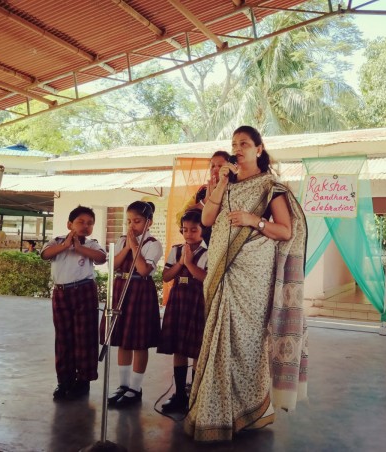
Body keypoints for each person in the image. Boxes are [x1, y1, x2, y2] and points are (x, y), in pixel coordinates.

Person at [184, 126, 308, 442]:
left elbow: (285, 231)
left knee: (247, 343)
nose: (238, 149)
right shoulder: (225, 183)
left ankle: (248, 411)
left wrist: (255, 220)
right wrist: (221, 183)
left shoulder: (270, 187)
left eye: (244, 144)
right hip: (223, 272)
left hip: (253, 277)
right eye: (234, 144)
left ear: (259, 149)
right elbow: (207, 220)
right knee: (218, 341)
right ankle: (214, 413)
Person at [41, 206, 107, 400]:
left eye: (90, 223)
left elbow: (102, 258)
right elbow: (44, 255)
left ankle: (83, 381)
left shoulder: (92, 244)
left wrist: (79, 248)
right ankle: (64, 381)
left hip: (84, 290)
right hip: (61, 292)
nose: (86, 226)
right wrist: (66, 245)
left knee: (85, 336)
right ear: (70, 224)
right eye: (81, 222)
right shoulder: (57, 241)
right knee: (63, 337)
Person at [101, 201, 163, 408]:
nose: (131, 226)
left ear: (149, 222)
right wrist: (127, 245)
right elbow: (113, 266)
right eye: (128, 221)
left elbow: (144, 270)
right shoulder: (121, 241)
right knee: (123, 340)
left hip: (140, 290)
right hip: (121, 289)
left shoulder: (153, 244)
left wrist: (135, 245)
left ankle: (135, 388)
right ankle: (123, 385)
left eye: (137, 221)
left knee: (139, 341)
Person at [157, 209, 208, 413]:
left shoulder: (209, 251)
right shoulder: (176, 250)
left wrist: (189, 263)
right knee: (178, 348)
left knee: (196, 348)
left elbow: (206, 279)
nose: (188, 234)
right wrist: (180, 263)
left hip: (197, 300)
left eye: (194, 230)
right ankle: (179, 395)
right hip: (178, 298)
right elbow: (166, 277)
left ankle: (194, 397)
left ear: (203, 230)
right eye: (185, 229)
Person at [176, 151, 230, 245]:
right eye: (212, 166)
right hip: (204, 244)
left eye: (220, 166)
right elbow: (180, 217)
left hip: (225, 241)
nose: (215, 169)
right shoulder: (202, 191)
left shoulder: (234, 189)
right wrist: (205, 201)